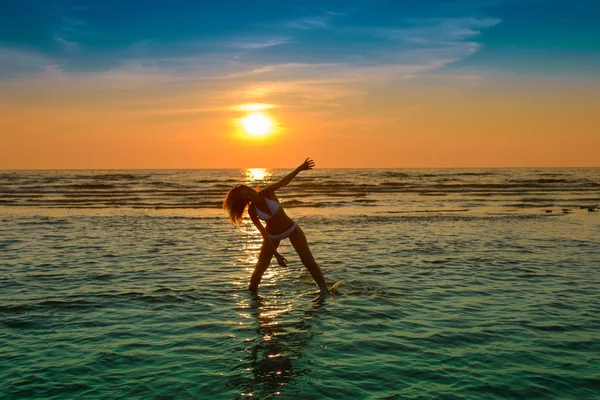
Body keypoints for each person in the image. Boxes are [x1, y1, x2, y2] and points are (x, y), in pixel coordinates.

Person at [223, 158, 329, 294]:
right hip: (272, 236)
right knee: (260, 267)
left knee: (308, 261)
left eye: (249, 190)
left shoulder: (267, 192)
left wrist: (299, 169)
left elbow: (284, 182)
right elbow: (264, 235)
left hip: (292, 229)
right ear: (246, 200)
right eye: (247, 195)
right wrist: (277, 255)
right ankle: (251, 294)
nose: (251, 193)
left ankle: (324, 290)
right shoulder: (252, 211)